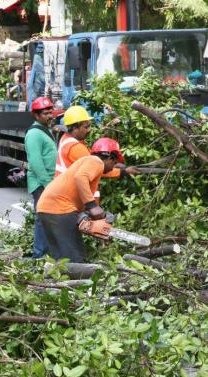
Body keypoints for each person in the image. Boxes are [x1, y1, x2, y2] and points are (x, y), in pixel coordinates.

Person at [36, 138, 137, 263]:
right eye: (114, 163)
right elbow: (81, 177)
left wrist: (90, 219)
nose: (113, 167)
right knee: (75, 258)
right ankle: (76, 280)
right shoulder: (96, 161)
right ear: (110, 157)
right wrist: (92, 206)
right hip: (60, 208)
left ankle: (57, 281)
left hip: (46, 208)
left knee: (61, 258)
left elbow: (77, 191)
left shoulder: (87, 161)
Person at [24, 96, 57, 258]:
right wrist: (48, 184)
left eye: (51, 112)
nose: (50, 115)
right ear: (36, 116)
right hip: (41, 184)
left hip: (48, 183)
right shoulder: (34, 134)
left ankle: (46, 252)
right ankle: (39, 254)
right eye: (45, 113)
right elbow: (36, 163)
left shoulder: (44, 130)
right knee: (42, 219)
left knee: (48, 218)